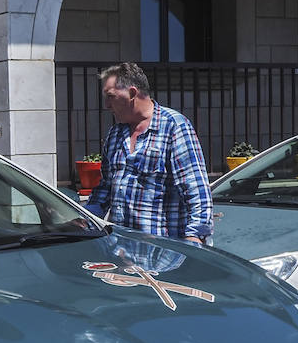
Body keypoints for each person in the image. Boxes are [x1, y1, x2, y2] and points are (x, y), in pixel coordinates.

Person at [85, 63, 213, 245]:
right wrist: (86, 217)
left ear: (132, 93)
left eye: (110, 97)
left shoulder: (174, 126)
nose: (106, 105)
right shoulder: (115, 133)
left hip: (164, 254)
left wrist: (195, 236)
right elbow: (105, 188)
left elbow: (195, 189)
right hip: (122, 250)